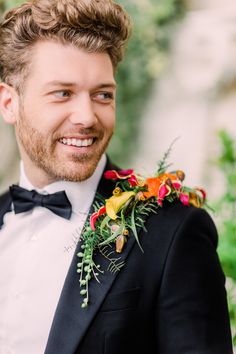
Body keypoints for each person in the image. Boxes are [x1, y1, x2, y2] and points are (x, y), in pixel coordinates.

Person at [0, 0, 233, 353]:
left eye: (102, 95)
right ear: (9, 103)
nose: (86, 116)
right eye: (62, 93)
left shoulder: (173, 232)